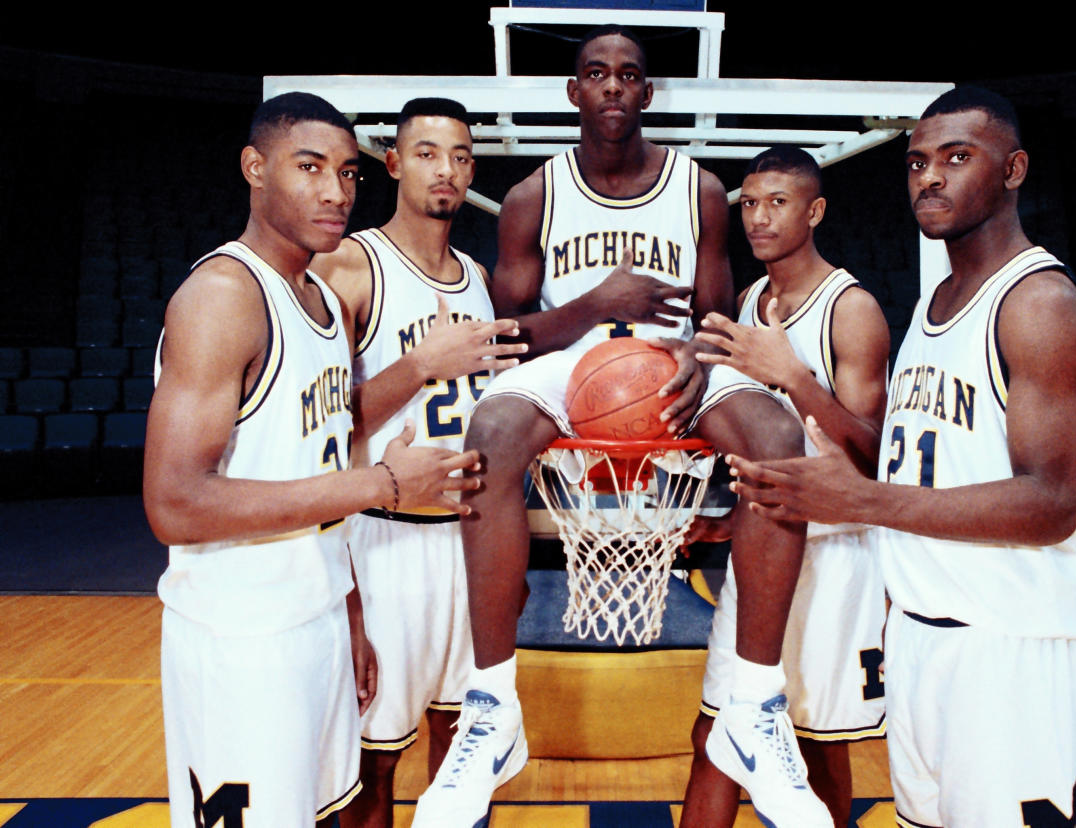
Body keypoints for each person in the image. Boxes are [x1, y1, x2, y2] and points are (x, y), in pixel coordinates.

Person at [413, 26, 829, 828]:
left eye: (628, 76)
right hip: (573, 367)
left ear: (646, 93)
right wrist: (598, 305)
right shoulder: (536, 195)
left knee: (777, 437)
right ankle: (493, 709)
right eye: (596, 74)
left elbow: (714, 315)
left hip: (674, 367)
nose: (612, 87)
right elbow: (508, 336)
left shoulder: (700, 189)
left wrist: (696, 357)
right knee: (491, 431)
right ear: (575, 92)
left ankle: (755, 705)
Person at [726, 87, 1076, 827]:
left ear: (1014, 169)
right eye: (916, 163)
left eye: (957, 158)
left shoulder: (1039, 306)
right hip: (920, 641)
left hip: (1010, 651)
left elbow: (1054, 503)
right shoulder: (935, 306)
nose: (929, 177)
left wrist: (864, 502)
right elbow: (911, 468)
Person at [143, 91, 482, 828]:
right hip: (241, 639)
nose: (336, 191)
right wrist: (387, 482)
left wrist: (350, 613)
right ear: (255, 168)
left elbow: (313, 452)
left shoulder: (317, 302)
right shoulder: (223, 297)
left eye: (348, 173)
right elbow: (175, 505)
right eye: (310, 168)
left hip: (319, 618)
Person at [310, 97, 526, 828]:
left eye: (462, 156)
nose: (448, 169)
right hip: (385, 538)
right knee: (373, 761)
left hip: (470, 542)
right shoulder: (350, 265)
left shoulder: (475, 275)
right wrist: (417, 365)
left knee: (467, 746)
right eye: (429, 153)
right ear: (395, 163)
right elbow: (315, 427)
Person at [679, 146, 890, 828]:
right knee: (716, 739)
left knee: (816, 752)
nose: (759, 217)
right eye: (749, 204)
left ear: (815, 210)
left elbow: (872, 453)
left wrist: (796, 375)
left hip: (834, 558)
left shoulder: (849, 308)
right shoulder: (750, 301)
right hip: (763, 552)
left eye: (778, 202)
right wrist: (726, 517)